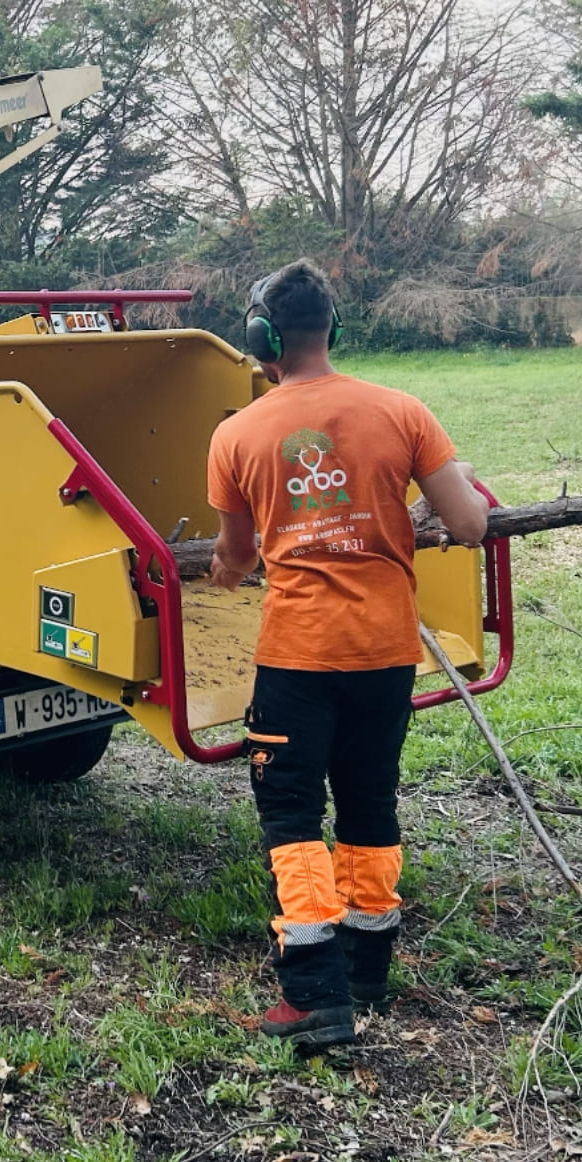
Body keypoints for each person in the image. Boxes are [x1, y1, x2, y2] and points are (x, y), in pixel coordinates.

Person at [205, 260, 489, 1051]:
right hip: (384, 652)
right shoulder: (401, 410)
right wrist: (433, 492)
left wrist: (228, 568)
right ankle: (368, 965)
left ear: (260, 339)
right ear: (334, 329)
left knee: (291, 814)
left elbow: (232, 555)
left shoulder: (235, 433)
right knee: (369, 800)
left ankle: (313, 993)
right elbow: (467, 525)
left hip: (296, 657)